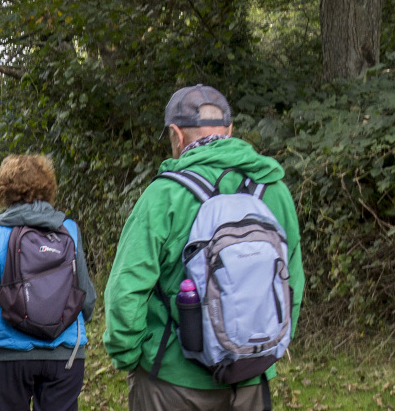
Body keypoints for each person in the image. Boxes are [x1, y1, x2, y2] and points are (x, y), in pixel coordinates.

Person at [103, 84, 305, 409]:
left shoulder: (163, 196)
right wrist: (270, 347)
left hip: (171, 379)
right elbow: (291, 281)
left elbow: (126, 290)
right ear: (230, 130)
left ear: (176, 135)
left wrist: (127, 355)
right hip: (252, 377)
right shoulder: (274, 190)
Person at [0, 154, 97, 411]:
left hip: (12, 354)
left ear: (3, 189)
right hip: (65, 353)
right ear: (47, 187)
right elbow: (86, 301)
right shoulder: (69, 229)